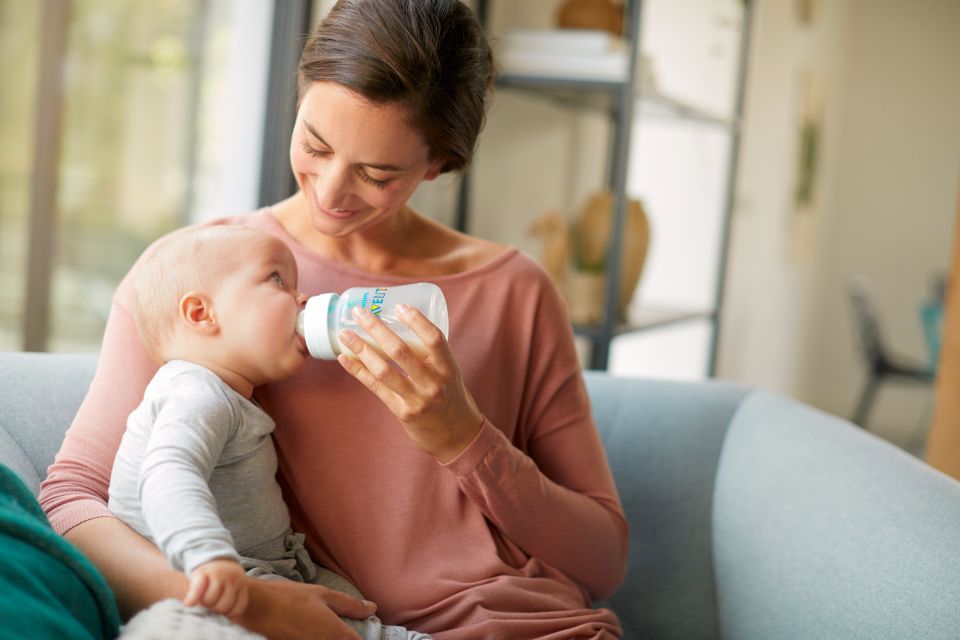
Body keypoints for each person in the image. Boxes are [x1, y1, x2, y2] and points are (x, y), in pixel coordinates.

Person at [39, 1, 629, 638]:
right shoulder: (198, 281)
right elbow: (73, 499)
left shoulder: (515, 291)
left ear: (439, 165)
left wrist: (465, 439)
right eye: (314, 145)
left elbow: (602, 558)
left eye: (377, 174)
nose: (329, 192)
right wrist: (234, 600)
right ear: (298, 98)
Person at [106, 225, 429, 639]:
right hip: (216, 573)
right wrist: (208, 556)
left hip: (272, 566)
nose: (304, 299)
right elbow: (167, 473)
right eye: (276, 279)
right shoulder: (196, 392)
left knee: (355, 615)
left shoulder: (226, 392)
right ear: (201, 314)